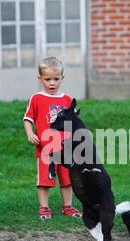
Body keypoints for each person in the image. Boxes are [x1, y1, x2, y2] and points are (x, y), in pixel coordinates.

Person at [23, 56, 82, 220]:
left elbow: (74, 122)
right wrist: (30, 133)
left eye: (56, 79)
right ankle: (44, 208)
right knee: (44, 181)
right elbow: (28, 119)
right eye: (47, 79)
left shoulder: (67, 100)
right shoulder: (36, 98)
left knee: (67, 180)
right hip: (46, 150)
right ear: (40, 78)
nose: (52, 83)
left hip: (66, 150)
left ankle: (68, 207)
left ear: (62, 78)